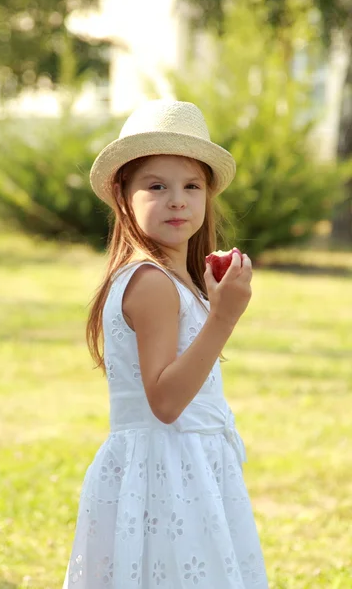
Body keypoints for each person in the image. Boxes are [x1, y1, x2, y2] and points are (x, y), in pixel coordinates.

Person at [62, 99, 269, 588]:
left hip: (186, 469)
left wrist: (213, 304)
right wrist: (224, 317)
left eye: (191, 186)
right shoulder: (151, 283)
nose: (177, 199)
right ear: (121, 194)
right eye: (156, 186)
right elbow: (166, 402)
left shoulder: (176, 280)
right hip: (167, 475)